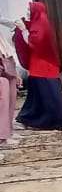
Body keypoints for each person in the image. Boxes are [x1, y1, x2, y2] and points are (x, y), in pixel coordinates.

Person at [14, 2, 62, 131]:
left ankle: (57, 119)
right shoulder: (39, 22)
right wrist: (23, 27)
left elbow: (34, 42)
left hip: (43, 66)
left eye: (29, 10)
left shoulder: (41, 23)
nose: (27, 12)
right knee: (40, 95)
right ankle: (30, 119)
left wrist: (23, 29)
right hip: (39, 65)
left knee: (48, 95)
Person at [0, 20, 19, 158]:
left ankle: (8, 131)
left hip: (8, 64)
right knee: (3, 101)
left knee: (11, 99)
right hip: (2, 68)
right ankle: (3, 135)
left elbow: (7, 50)